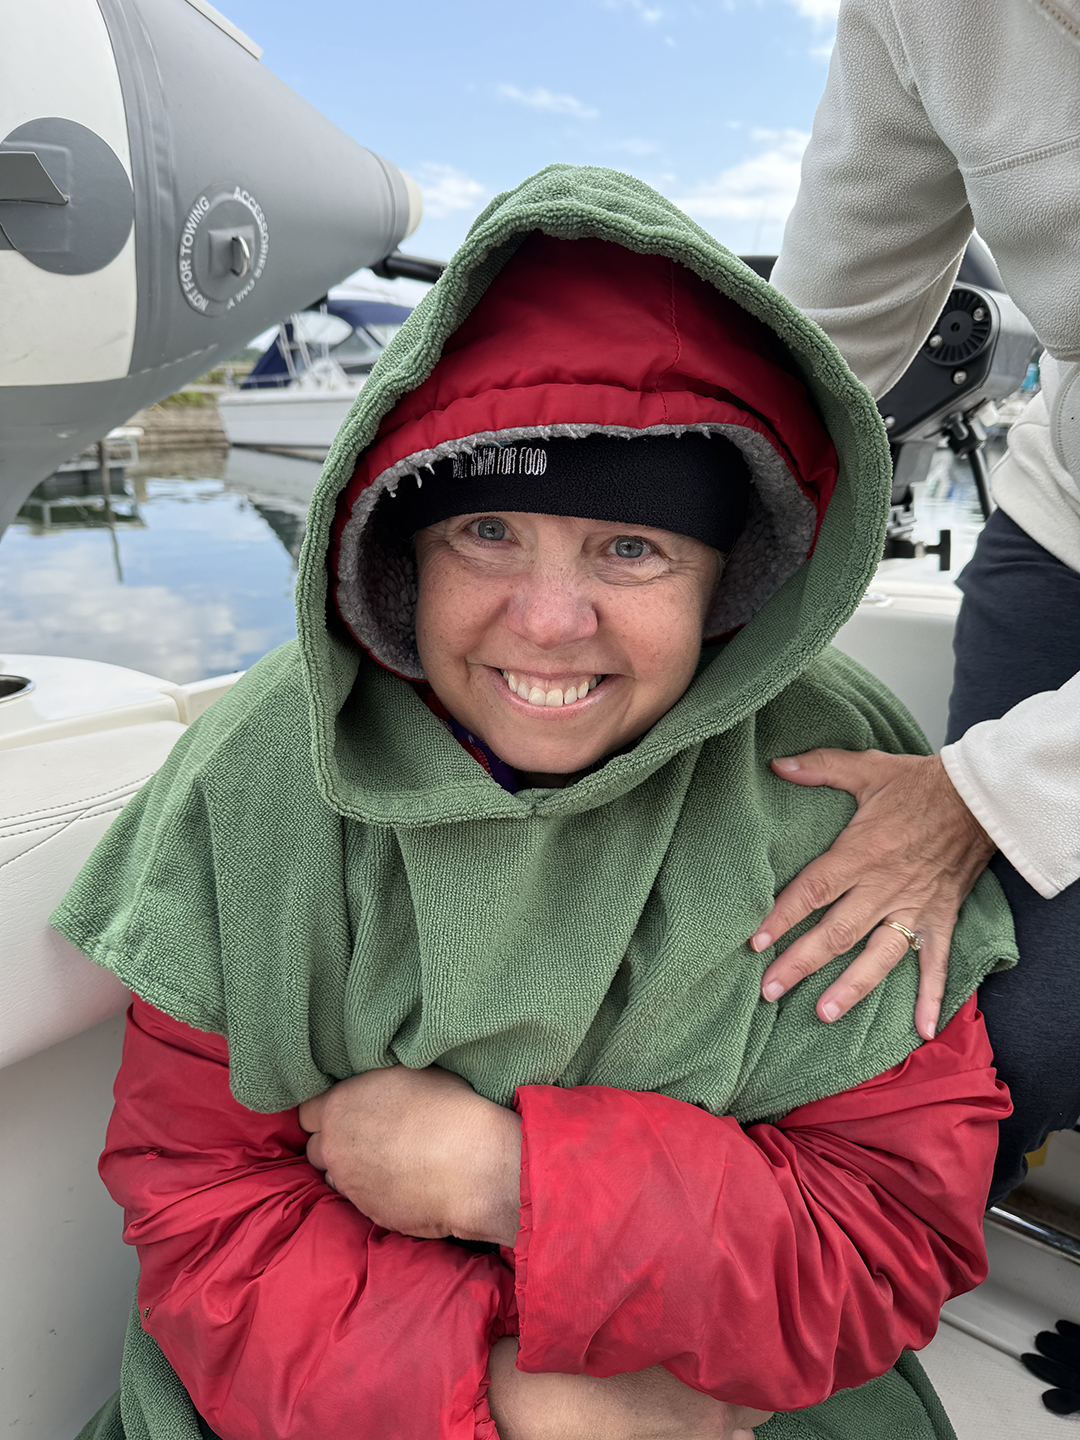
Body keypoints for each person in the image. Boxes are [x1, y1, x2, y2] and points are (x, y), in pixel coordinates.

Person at [56, 166, 1014, 1440]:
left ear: (727, 580)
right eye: (489, 532)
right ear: (400, 545)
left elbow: (886, 1234)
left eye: (633, 548)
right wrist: (516, 1403)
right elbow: (202, 1204)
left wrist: (515, 1182)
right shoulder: (261, 770)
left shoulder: (838, 777)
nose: (551, 623)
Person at [766, 0, 1080, 1207]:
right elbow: (823, 344)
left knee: (1014, 1043)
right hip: (1063, 524)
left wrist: (984, 795)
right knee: (929, 999)